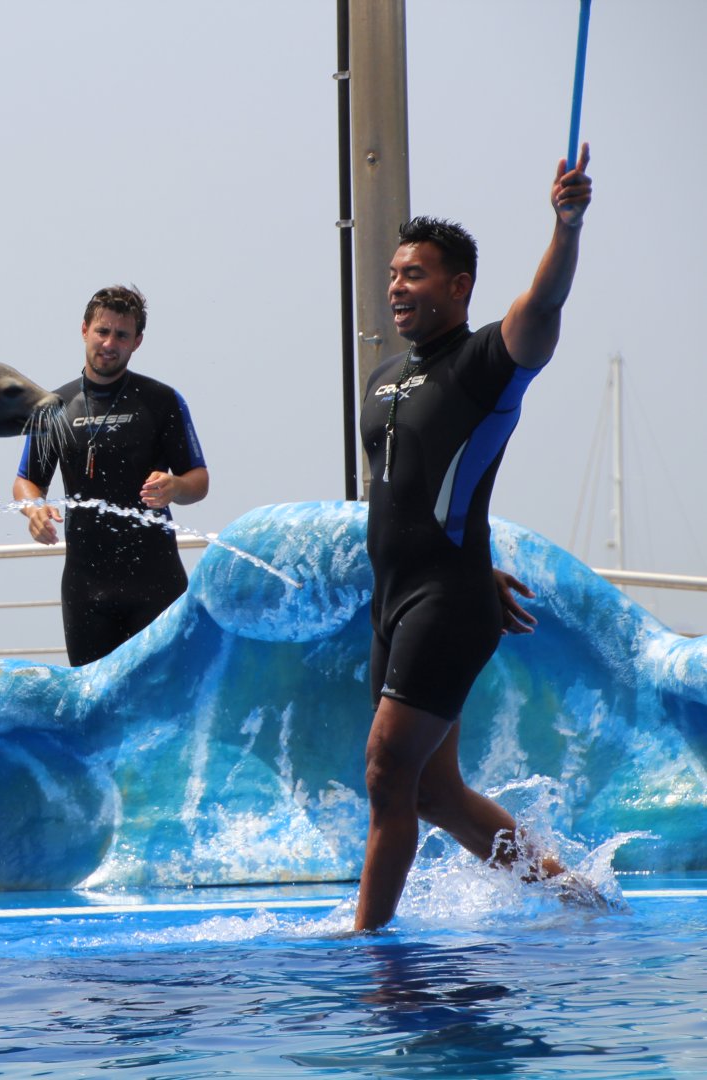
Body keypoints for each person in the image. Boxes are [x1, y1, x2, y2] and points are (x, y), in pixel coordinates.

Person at [355, 144, 594, 931]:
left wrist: (565, 227)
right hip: (401, 600)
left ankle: (366, 949)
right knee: (432, 793)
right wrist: (473, 564)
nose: (396, 285)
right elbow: (413, 498)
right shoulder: (385, 378)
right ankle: (572, 894)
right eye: (393, 273)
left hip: (443, 603)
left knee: (389, 773)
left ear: (458, 286)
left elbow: (545, 309)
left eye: (414, 274)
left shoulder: (483, 362)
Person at [13, 285, 209, 666]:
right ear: (84, 330)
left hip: (156, 582)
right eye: (102, 331)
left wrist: (176, 487)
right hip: (86, 589)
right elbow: (26, 480)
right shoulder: (53, 407)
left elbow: (198, 480)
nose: (109, 342)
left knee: (165, 702)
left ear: (137, 341)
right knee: (95, 709)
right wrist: (33, 508)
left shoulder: (161, 401)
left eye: (121, 335)